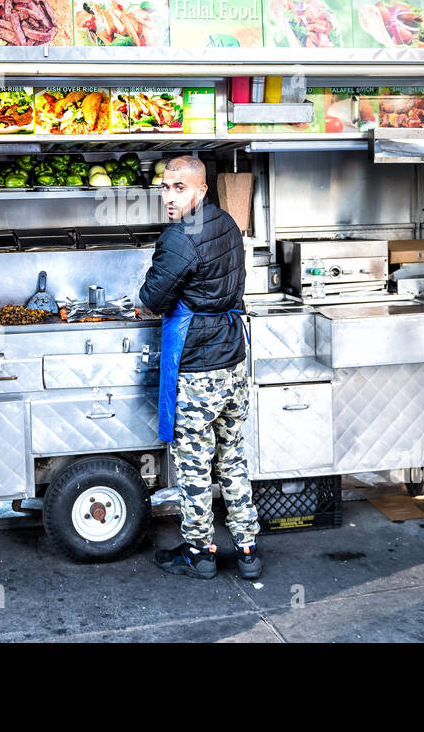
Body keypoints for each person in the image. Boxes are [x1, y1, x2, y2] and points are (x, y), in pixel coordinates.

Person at [138, 155, 261, 581]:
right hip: (233, 359)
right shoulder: (227, 222)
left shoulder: (178, 238)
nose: (169, 196)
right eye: (165, 187)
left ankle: (201, 552)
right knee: (232, 457)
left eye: (179, 188)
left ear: (201, 189)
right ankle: (248, 549)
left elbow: (151, 300)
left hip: (199, 365)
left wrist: (143, 305)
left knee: (194, 463)